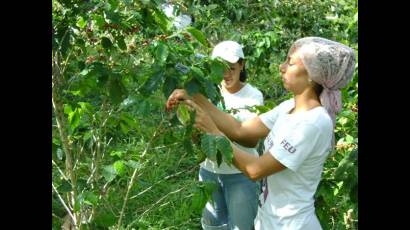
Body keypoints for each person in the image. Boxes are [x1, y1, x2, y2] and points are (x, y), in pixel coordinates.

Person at [166, 37, 356, 230]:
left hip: (291, 224)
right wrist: (195, 96)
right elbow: (241, 130)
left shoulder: (312, 122)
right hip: (269, 220)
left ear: (312, 75)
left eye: (290, 63)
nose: (282, 67)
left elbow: (255, 170)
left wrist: (213, 131)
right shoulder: (289, 106)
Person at [199, 41, 263, 230]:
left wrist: (213, 123)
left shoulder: (253, 96)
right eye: (221, 68)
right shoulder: (207, 92)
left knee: (241, 226)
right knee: (213, 225)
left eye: (232, 68)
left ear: (242, 65)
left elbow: (251, 140)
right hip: (209, 171)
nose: (226, 74)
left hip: (240, 175)